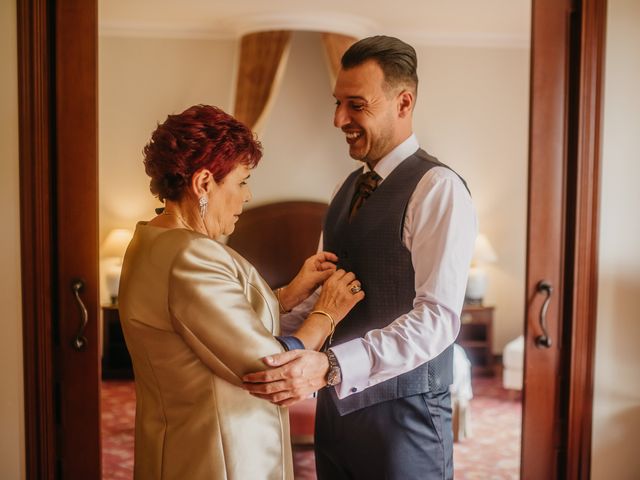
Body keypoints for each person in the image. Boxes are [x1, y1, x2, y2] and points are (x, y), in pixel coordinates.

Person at [242, 36, 477, 479]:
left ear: (403, 103)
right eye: (337, 104)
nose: (338, 119)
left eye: (355, 104)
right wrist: (264, 342)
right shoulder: (341, 191)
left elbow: (438, 319)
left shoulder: (438, 189)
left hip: (405, 421)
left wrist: (331, 365)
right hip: (336, 412)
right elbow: (321, 300)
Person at [117, 104, 364, 480]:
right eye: (242, 180)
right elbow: (267, 368)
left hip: (183, 444)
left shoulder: (150, 241)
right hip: (221, 456)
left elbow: (209, 325)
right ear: (203, 183)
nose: (247, 196)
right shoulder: (191, 255)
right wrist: (325, 314)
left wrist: (287, 295)